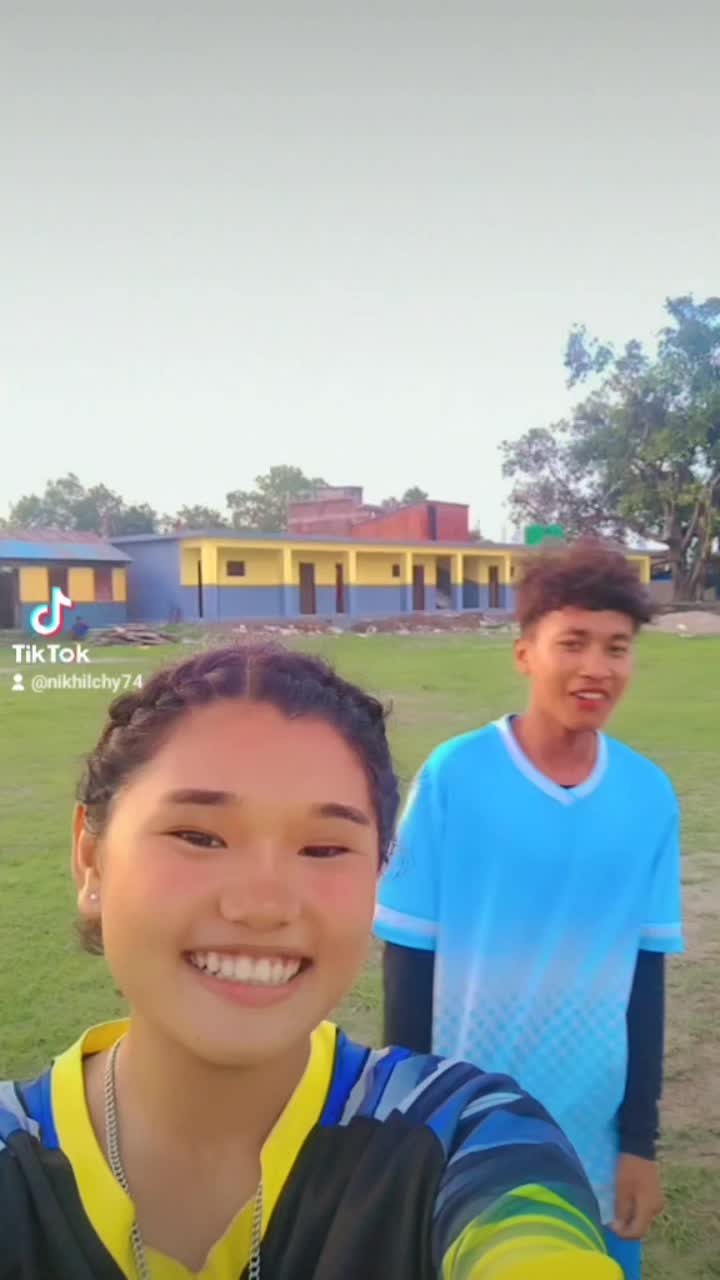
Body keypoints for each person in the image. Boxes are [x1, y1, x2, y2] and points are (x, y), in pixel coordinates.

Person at [0, 643, 621, 1279]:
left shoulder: (463, 1137)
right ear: (91, 858)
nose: (262, 906)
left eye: (324, 849)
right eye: (198, 837)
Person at [375, 541, 684, 1280]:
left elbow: (645, 981)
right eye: (572, 643)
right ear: (524, 654)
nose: (596, 667)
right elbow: (408, 967)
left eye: (616, 647)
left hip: (593, 1136)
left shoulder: (648, 795)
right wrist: (410, 1130)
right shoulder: (455, 776)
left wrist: (638, 1144)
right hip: (465, 1123)